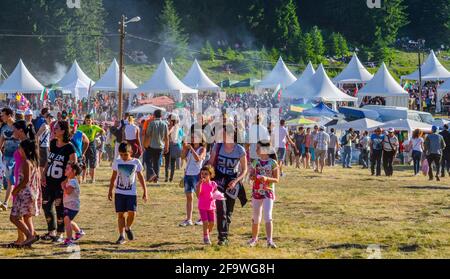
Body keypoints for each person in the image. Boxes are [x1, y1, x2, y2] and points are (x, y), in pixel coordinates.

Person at [208, 123, 248, 246]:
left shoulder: (239, 150)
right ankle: (222, 238)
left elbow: (244, 169)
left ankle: (225, 235)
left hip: (232, 182)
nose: (222, 135)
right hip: (219, 180)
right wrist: (206, 176)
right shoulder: (217, 147)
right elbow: (210, 164)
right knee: (221, 209)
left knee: (228, 212)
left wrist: (236, 181)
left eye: (224, 133)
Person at [41, 121, 77, 242]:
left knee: (59, 207)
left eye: (56, 128)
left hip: (60, 183)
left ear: (63, 131)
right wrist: (43, 173)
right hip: (49, 180)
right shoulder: (52, 142)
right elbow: (49, 160)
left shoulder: (69, 147)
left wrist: (66, 181)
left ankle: (60, 234)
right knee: (46, 205)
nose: (53, 130)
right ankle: (51, 231)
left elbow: (74, 167)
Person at [109, 142, 148, 245]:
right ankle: (122, 236)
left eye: (125, 154)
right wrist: (110, 190)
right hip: (119, 193)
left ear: (130, 152)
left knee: (132, 212)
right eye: (121, 155)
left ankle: (127, 227)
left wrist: (145, 191)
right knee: (120, 214)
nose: (123, 157)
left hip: (131, 193)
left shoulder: (136, 162)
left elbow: (140, 177)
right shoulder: (117, 162)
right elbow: (113, 177)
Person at [9, 139, 41, 247]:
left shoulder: (26, 162)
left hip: (24, 194)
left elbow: (25, 180)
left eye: (20, 148)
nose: (19, 150)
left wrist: (15, 190)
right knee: (27, 216)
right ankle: (30, 239)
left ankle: (29, 236)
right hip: (31, 193)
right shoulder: (33, 162)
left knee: (14, 217)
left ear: (25, 150)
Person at [248, 141, 279, 248]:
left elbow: (277, 179)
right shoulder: (255, 162)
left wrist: (266, 178)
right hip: (256, 192)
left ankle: (269, 241)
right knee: (256, 216)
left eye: (258, 148)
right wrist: (252, 176)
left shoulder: (273, 163)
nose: (256, 150)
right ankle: (254, 239)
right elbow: (251, 175)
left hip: (268, 192)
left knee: (268, 215)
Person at [180, 130, 206, 227]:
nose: (192, 139)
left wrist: (191, 148)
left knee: (200, 198)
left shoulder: (202, 149)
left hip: (197, 175)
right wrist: (184, 149)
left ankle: (202, 218)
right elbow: (182, 157)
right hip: (188, 174)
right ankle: (188, 219)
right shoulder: (189, 149)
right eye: (191, 137)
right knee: (189, 198)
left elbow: (198, 159)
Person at [0, 108, 20, 211]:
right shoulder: (3, 128)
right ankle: (8, 202)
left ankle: (6, 202)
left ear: (9, 115)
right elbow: (1, 143)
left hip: (17, 157)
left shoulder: (18, 126)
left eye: (3, 115)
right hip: (6, 157)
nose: (1, 117)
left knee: (11, 180)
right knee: (10, 180)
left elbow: (23, 141)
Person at [62, 162, 85, 247]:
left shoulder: (73, 182)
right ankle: (79, 232)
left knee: (67, 220)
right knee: (68, 221)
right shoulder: (70, 180)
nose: (65, 170)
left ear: (74, 171)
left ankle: (69, 239)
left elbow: (68, 192)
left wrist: (63, 186)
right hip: (69, 205)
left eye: (67, 169)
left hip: (72, 206)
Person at [195, 165, 219, 245]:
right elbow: (198, 195)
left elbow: (216, 192)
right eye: (202, 174)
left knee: (212, 223)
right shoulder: (199, 184)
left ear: (210, 175)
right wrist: (199, 185)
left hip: (211, 206)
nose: (203, 175)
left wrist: (217, 195)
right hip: (202, 206)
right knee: (205, 222)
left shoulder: (213, 184)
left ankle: (207, 232)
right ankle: (206, 236)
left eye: (206, 174)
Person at [77, 114, 105, 183]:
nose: (88, 122)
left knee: (92, 162)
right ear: (85, 121)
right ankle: (84, 178)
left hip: (92, 145)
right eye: (87, 120)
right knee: (84, 162)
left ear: (92, 121)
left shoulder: (94, 127)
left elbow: (103, 131)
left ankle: (93, 179)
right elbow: (76, 132)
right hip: (84, 145)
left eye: (89, 120)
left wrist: (99, 134)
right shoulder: (81, 127)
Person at [143, 109, 169, 183]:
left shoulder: (151, 123)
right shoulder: (165, 124)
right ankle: (156, 179)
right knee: (156, 163)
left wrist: (145, 144)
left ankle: (152, 173)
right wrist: (167, 147)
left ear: (154, 115)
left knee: (147, 159)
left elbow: (148, 135)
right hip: (160, 146)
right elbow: (167, 137)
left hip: (151, 145)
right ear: (161, 116)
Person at [165, 114, 183, 182]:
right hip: (172, 145)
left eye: (169, 119)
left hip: (171, 145)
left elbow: (167, 134)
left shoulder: (173, 126)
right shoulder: (177, 126)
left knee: (169, 162)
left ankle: (168, 177)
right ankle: (169, 178)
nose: (168, 120)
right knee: (171, 162)